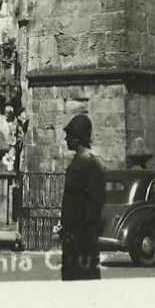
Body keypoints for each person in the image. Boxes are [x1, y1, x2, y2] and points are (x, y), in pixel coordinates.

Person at [58, 113, 106, 281]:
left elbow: (95, 202)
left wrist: (85, 233)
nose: (66, 139)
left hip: (83, 239)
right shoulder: (78, 162)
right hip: (73, 237)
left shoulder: (91, 164)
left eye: (69, 135)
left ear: (77, 138)